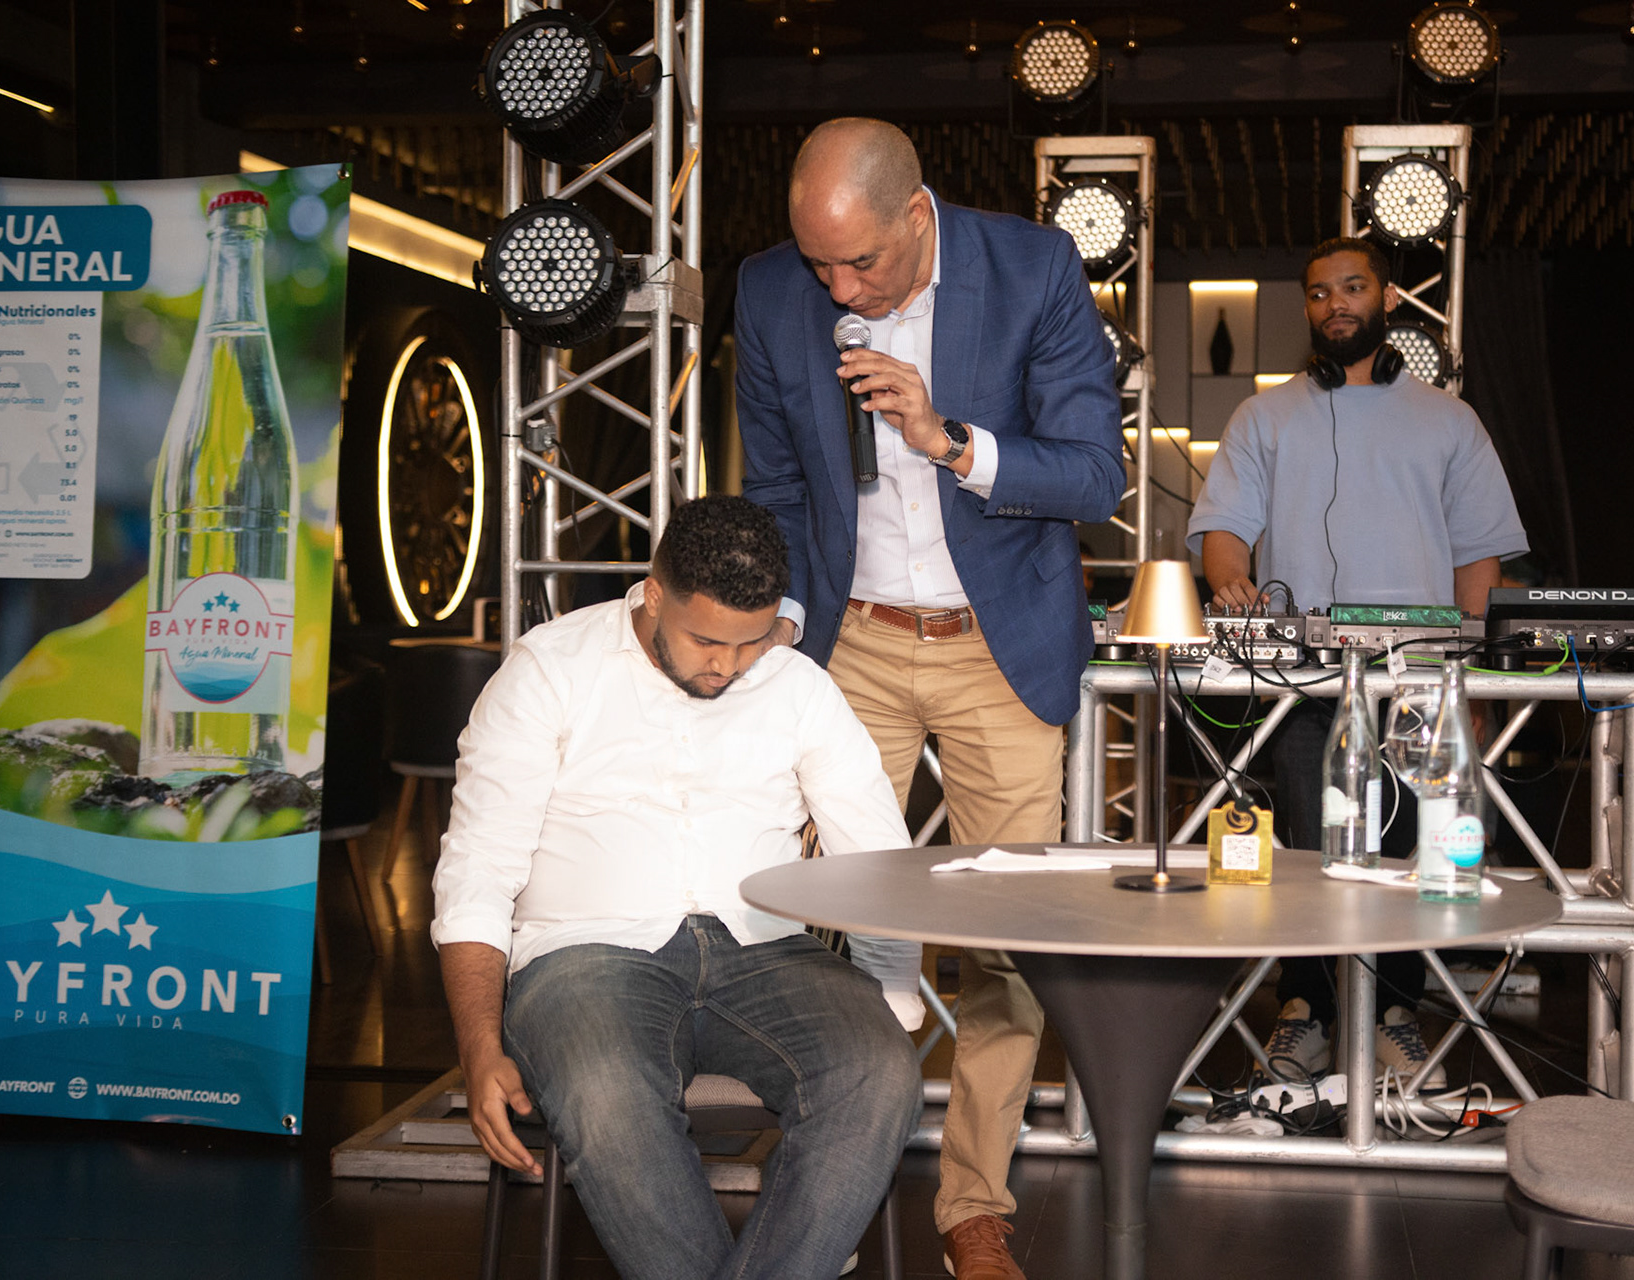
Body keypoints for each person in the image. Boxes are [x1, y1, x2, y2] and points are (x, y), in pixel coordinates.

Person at [735, 117, 1124, 1279]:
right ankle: (826, 1179)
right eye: (820, 264)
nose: (838, 290)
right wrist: (781, 632)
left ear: (917, 214)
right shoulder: (769, 289)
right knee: (824, 919)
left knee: (1006, 936)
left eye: (859, 263)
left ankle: (974, 1205)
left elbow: (1095, 473)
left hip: (996, 646)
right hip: (849, 640)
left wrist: (949, 438)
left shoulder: (1034, 269)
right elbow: (775, 486)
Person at [432, 494, 925, 1280]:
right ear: (654, 595)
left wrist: (888, 1003)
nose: (727, 665)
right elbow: (477, 867)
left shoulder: (796, 686)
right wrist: (478, 1045)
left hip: (768, 949)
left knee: (881, 1072)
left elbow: (876, 858)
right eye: (706, 640)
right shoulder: (551, 669)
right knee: (607, 1093)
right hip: (584, 954)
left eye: (751, 641)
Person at [1186, 236, 1528, 1089]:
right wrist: (1231, 585)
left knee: (1411, 857)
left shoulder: (1450, 421)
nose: (1335, 304)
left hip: (1421, 681)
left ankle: (1394, 1014)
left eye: (1352, 287)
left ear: (1388, 299)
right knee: (1311, 851)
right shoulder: (1264, 416)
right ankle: (1307, 1010)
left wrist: (1473, 684)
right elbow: (1224, 531)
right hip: (1306, 679)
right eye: (1318, 292)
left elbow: (1479, 560)